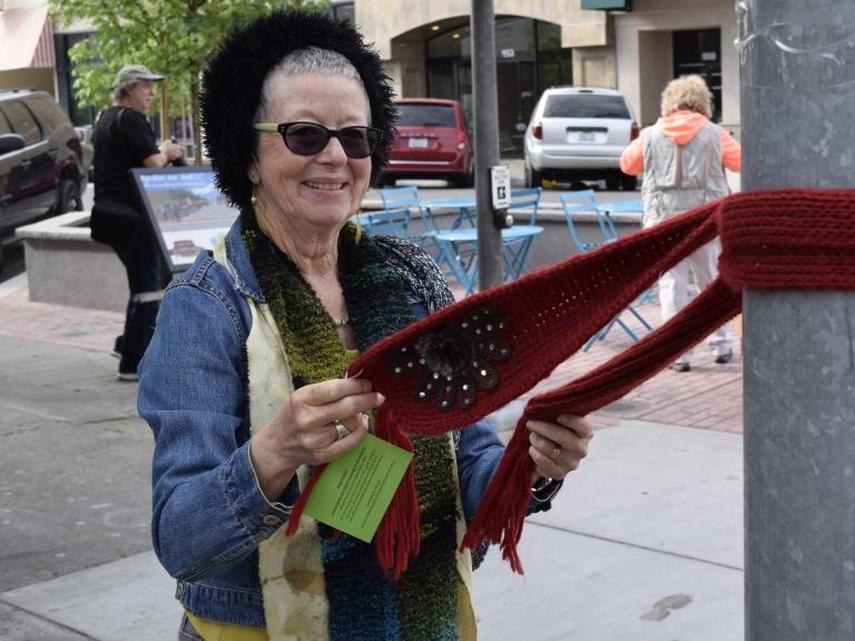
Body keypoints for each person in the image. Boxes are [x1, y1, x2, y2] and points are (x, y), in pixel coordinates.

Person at [137, 11, 592, 641]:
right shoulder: (206, 307)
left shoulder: (411, 282)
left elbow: (474, 464)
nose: (335, 156)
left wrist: (533, 464)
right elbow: (181, 539)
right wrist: (276, 451)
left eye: (355, 138)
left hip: (423, 619)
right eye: (304, 135)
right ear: (247, 155)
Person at [620, 75, 741, 372]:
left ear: (669, 103)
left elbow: (627, 165)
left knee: (672, 285)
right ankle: (722, 344)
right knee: (712, 281)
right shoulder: (716, 134)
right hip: (705, 221)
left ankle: (678, 354)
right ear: (703, 103)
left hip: (663, 223)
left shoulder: (649, 135)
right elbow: (741, 162)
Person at [90, 64, 185, 381]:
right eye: (146, 86)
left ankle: (126, 344)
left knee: (141, 285)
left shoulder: (106, 118)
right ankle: (133, 361)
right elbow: (154, 163)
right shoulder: (130, 119)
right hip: (134, 217)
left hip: (110, 215)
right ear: (129, 88)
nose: (151, 93)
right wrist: (169, 151)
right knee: (147, 289)